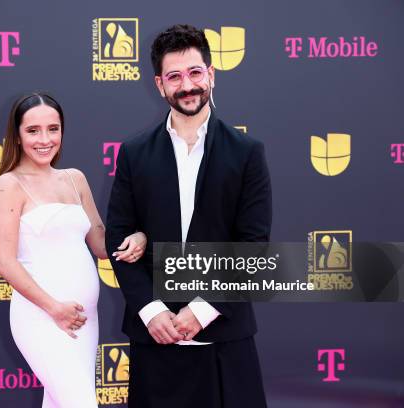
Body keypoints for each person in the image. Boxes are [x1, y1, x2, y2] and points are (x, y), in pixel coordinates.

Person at [106, 25, 271, 407]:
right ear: (160, 84)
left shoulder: (246, 152)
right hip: (155, 339)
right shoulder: (134, 153)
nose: (187, 85)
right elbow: (119, 236)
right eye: (175, 76)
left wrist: (201, 309)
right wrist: (150, 310)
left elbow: (253, 246)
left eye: (195, 73)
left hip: (225, 337)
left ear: (211, 74)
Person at [0, 92, 147, 408]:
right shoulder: (9, 184)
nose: (44, 139)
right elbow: (4, 264)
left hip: (84, 319)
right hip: (41, 318)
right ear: (17, 136)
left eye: (53, 128)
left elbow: (101, 245)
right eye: (33, 130)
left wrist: (139, 237)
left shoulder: (75, 179)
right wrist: (53, 307)